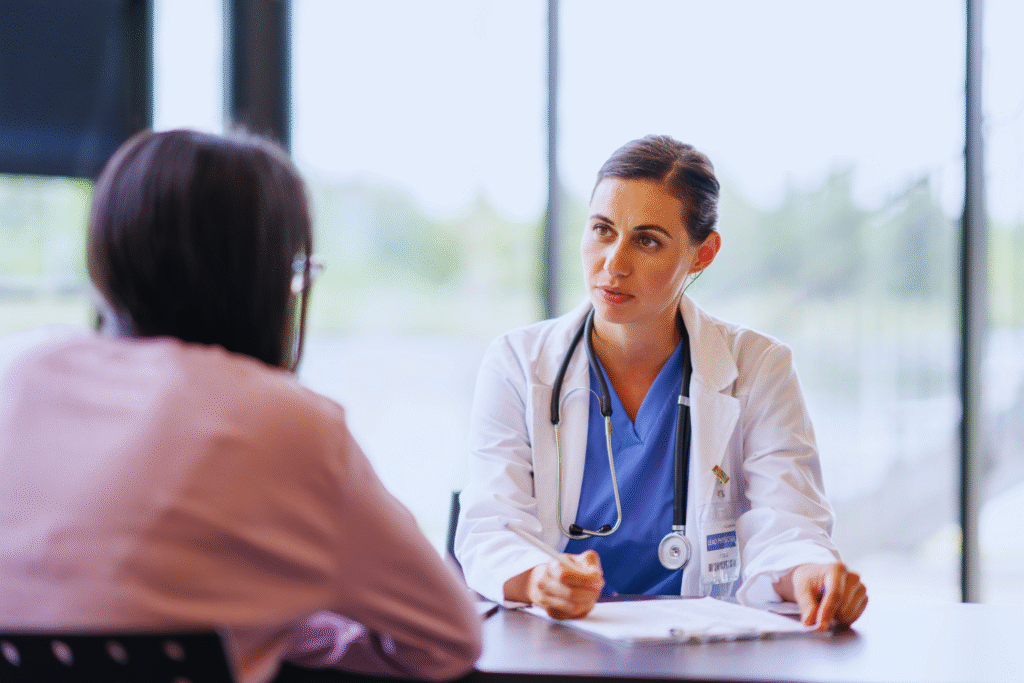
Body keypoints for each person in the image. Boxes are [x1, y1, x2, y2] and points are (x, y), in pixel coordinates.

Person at [0, 129, 481, 683]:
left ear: (105, 258)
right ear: (271, 277)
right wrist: (281, 616)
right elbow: (449, 637)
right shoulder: (288, 425)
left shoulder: (16, 373)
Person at [455, 134, 867, 629]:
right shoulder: (518, 364)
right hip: (558, 639)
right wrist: (537, 577)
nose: (614, 263)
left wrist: (809, 571)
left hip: (697, 647)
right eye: (603, 230)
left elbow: (788, 524)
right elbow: (490, 527)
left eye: (647, 240)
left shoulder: (758, 367)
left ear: (702, 254)